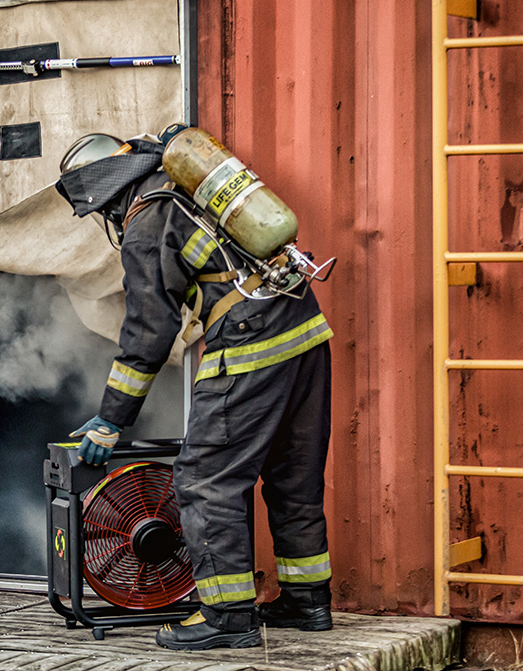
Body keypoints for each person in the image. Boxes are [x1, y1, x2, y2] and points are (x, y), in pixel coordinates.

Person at [56, 125, 334, 651]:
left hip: (251, 346)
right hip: (305, 328)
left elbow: (146, 334)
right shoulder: (184, 183)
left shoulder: (145, 221)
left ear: (105, 194)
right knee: (291, 475)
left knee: (206, 478)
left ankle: (227, 617)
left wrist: (112, 418)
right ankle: (307, 601)